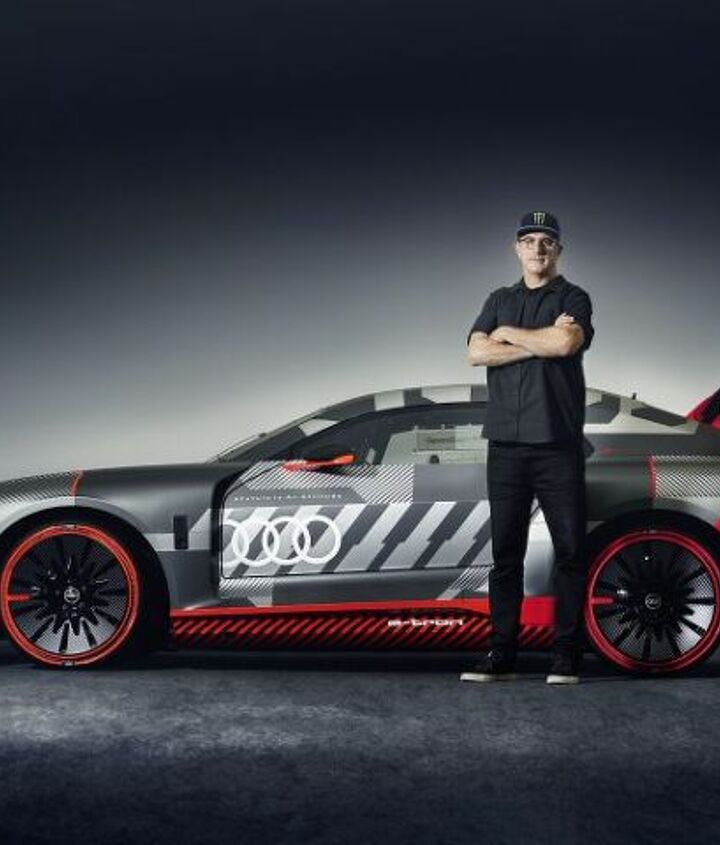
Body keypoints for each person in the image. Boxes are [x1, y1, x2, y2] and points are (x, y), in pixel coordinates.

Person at [460, 211, 594, 685]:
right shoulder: (498, 299)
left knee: (570, 553)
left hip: (557, 446)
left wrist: (508, 334)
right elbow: (475, 352)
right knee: (506, 555)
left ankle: (567, 655)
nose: (538, 248)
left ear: (558, 250)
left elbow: (565, 344)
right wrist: (537, 340)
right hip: (506, 447)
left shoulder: (574, 297)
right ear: (516, 248)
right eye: (529, 240)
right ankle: (502, 653)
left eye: (546, 241)